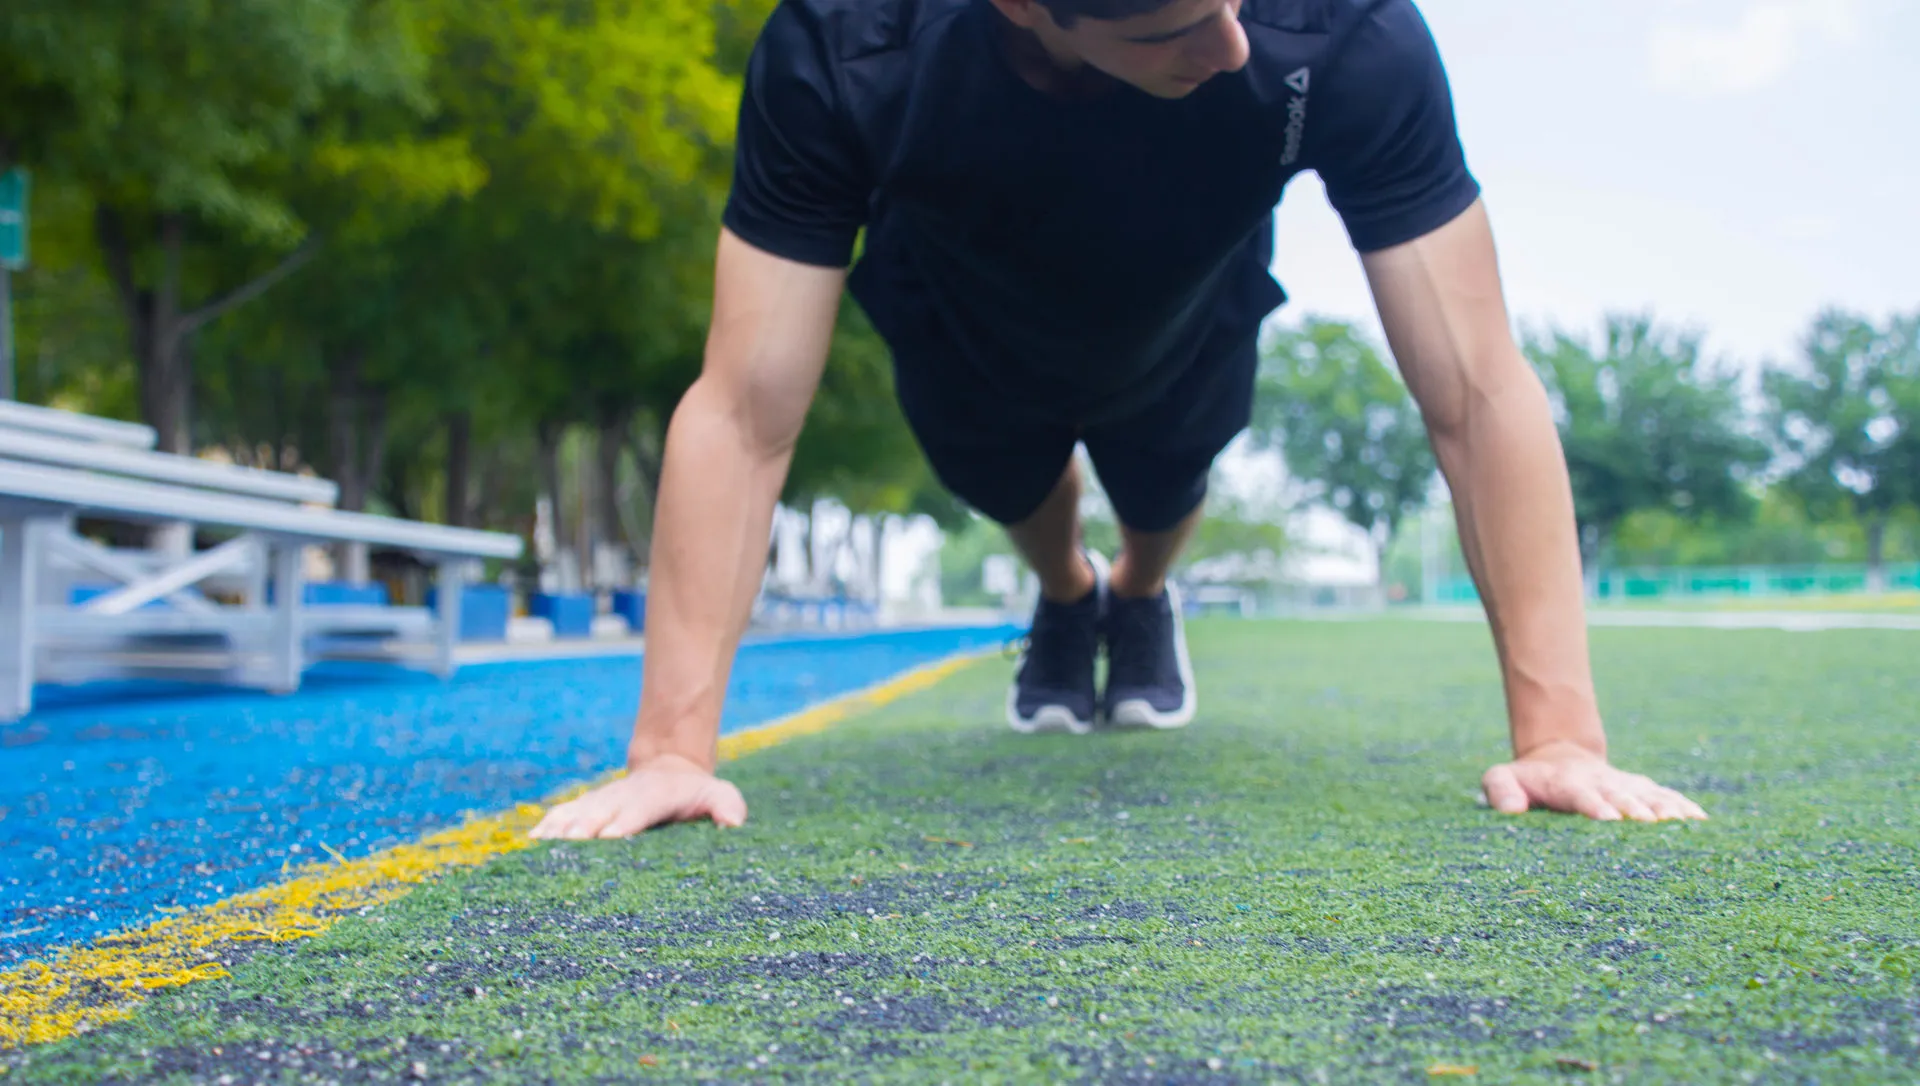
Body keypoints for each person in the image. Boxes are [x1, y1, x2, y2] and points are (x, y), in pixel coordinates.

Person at [532, 0, 1709, 839]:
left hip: (1185, 310)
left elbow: (1476, 388)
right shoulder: (844, 48)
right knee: (1016, 484)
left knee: (1162, 483)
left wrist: (1560, 735)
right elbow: (741, 412)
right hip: (961, 315)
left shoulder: (1341, 29)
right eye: (1171, 30)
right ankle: (1066, 596)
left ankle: (1139, 596)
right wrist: (673, 754)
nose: (1232, 44)